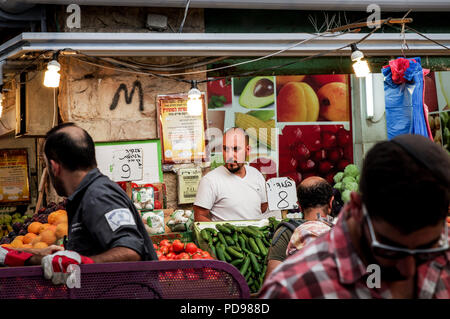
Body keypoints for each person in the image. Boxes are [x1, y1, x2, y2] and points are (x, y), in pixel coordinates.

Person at [260, 134, 450, 299]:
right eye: (389, 248)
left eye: (426, 251)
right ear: (356, 207)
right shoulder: (295, 288)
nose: (408, 269)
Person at [12, 123, 157, 284]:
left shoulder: (99, 195)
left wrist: (81, 263)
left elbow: (130, 251)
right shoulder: (87, 195)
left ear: (54, 167)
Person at [264, 176, 334, 280]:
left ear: (299, 206)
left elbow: (272, 280)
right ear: (331, 203)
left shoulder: (286, 232)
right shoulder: (342, 231)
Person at [194, 127, 268, 221]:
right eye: (225, 149)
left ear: (248, 150)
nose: (229, 155)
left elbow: (263, 206)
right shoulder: (210, 180)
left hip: (256, 234)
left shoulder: (256, 175)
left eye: (236, 149)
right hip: (227, 235)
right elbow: (200, 216)